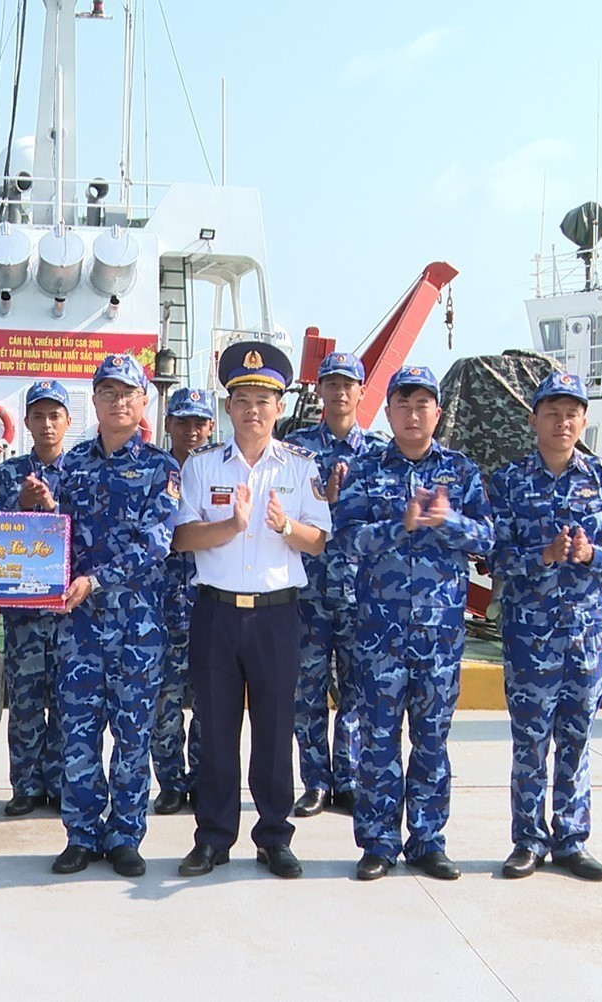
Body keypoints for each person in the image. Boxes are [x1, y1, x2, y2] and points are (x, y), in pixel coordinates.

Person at [172, 345, 331, 879]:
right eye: (242, 400)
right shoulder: (201, 466)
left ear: (279, 408)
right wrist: (232, 526)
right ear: (228, 407)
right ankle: (213, 838)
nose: (253, 411)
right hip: (216, 613)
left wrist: (285, 526)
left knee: (274, 729)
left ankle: (274, 837)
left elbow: (318, 542)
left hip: (275, 616)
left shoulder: (300, 467)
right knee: (215, 730)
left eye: (263, 401)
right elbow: (181, 537)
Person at [336, 364, 492, 881]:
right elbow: (345, 538)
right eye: (402, 403)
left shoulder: (461, 471)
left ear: (437, 413)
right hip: (379, 633)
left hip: (439, 636)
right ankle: (378, 842)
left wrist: (448, 520)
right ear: (387, 411)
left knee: (432, 741)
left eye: (422, 404)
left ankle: (427, 840)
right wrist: (396, 525)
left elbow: (488, 539)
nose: (412, 413)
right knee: (377, 741)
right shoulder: (366, 468)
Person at [488, 372, 602, 882]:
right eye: (552, 413)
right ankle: (528, 839)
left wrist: (591, 554)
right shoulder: (508, 482)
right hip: (531, 638)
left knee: (577, 738)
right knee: (530, 742)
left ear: (584, 421)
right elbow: (493, 556)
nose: (562, 423)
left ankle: (571, 839)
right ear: (534, 419)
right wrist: (543, 556)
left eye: (572, 414)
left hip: (585, 638)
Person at [48, 354, 179, 878]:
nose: (118, 401)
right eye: (108, 392)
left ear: (143, 401)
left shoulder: (161, 468)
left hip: (136, 627)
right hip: (78, 624)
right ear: (95, 401)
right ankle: (80, 834)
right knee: (77, 734)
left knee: (132, 735)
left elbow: (157, 542)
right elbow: (55, 538)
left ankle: (125, 834)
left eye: (128, 393)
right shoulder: (72, 465)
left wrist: (96, 580)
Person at [283, 350, 389, 817]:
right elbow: (282, 509)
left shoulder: (380, 453)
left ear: (362, 392)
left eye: (348, 384)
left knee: (356, 689)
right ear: (320, 391)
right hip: (307, 590)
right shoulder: (297, 449)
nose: (340, 392)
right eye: (332, 383)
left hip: (360, 591)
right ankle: (315, 781)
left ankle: (347, 778)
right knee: (305, 689)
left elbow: (386, 517)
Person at [0, 379, 71, 816]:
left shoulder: (83, 471)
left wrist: (53, 509)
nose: (47, 424)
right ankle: (26, 786)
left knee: (70, 703)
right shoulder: (6, 474)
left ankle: (62, 784)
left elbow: (91, 532)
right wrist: (19, 503)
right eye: (39, 416)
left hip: (70, 610)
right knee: (25, 701)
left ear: (68, 421)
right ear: (27, 422)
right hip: (23, 612)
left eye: (55, 416)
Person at [151, 387, 216, 815]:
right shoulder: (154, 470)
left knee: (211, 702)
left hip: (212, 603)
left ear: (210, 426)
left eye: (199, 423)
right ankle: (171, 781)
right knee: (166, 701)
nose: (191, 431)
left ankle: (205, 780)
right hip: (163, 605)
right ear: (168, 424)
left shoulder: (221, 470)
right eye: (182, 422)